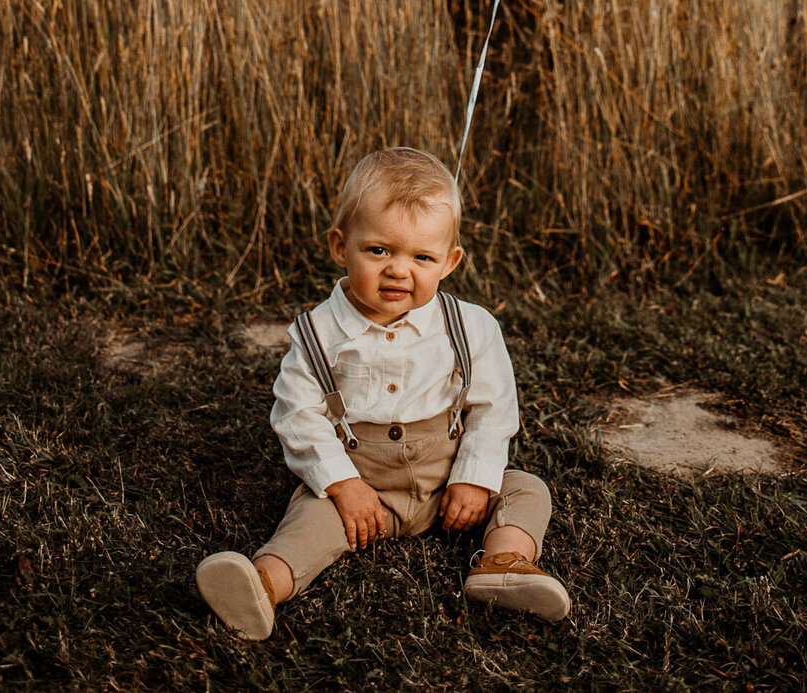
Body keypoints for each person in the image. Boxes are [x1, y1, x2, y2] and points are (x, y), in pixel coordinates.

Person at [196, 146, 569, 638]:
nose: (398, 270)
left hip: (446, 483)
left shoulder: (471, 326)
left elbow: (493, 408)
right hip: (362, 484)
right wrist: (343, 486)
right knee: (311, 518)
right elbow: (297, 416)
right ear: (339, 246)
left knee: (526, 488)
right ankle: (265, 583)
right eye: (378, 251)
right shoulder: (317, 334)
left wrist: (475, 477)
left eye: (421, 257)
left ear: (450, 261)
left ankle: (505, 561)